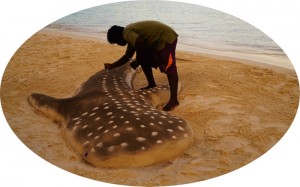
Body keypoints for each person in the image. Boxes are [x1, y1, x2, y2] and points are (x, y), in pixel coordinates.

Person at [105, 20, 179, 111]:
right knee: (144, 59)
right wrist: (112, 65)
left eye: (117, 42)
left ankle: (174, 100)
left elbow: (140, 42)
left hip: (166, 38)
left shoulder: (127, 33)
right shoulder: (130, 36)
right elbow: (127, 56)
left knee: (169, 67)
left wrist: (138, 61)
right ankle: (151, 84)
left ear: (119, 37)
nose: (119, 44)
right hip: (158, 40)